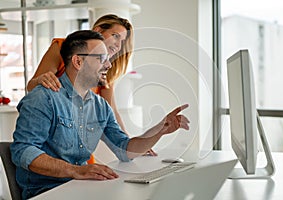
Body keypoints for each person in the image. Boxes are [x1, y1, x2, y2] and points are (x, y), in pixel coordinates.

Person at [10, 30, 190, 200]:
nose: (109, 64)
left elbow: (124, 149)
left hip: (80, 186)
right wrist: (76, 171)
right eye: (102, 58)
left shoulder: (100, 105)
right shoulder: (44, 98)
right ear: (78, 62)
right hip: (46, 192)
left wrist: (159, 129)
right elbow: (23, 150)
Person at [26, 14, 156, 158]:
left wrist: (130, 147)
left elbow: (111, 110)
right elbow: (33, 87)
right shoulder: (65, 49)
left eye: (122, 41)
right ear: (98, 30)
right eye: (115, 36)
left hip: (79, 141)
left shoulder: (104, 71)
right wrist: (41, 81)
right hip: (55, 141)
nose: (119, 45)